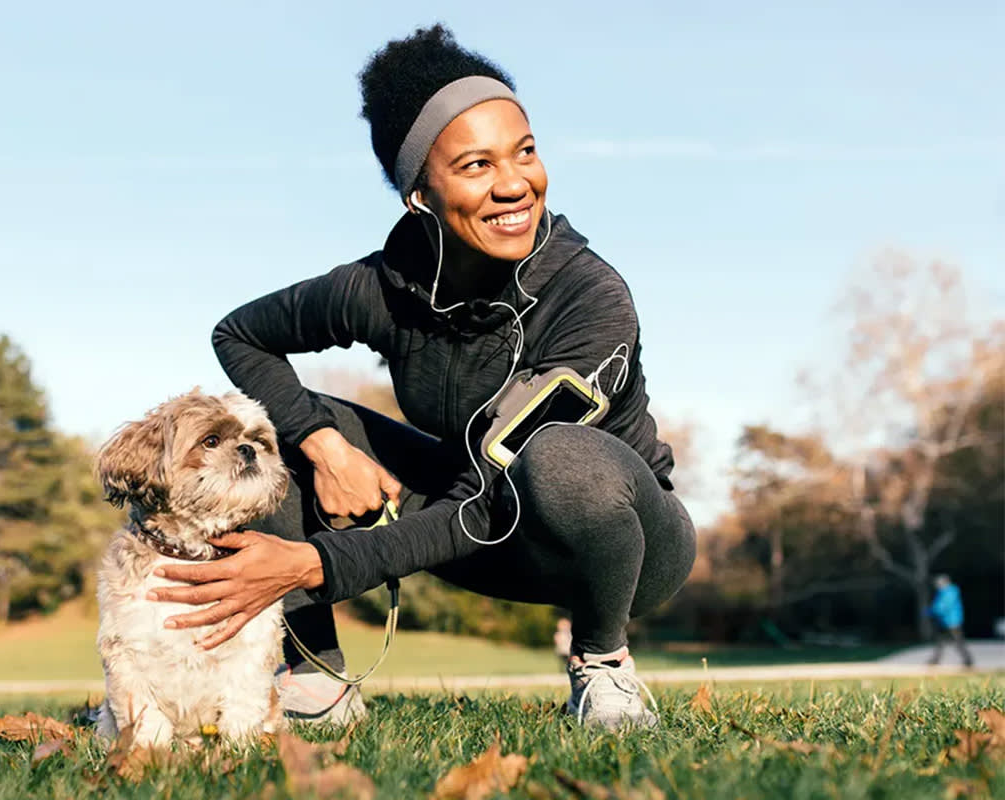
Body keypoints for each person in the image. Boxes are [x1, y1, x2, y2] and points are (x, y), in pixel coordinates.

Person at [145, 24, 697, 731]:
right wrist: (324, 445)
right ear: (420, 195)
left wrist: (314, 563)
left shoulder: (590, 299)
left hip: (621, 549)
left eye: (525, 152)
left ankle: (603, 664)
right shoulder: (384, 287)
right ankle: (315, 679)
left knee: (562, 459)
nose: (515, 184)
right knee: (282, 429)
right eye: (476, 165)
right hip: (476, 530)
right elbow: (240, 335)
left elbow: (489, 495)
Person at [927, 574, 974, 668]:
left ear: (945, 582)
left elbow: (944, 606)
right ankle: (935, 660)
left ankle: (968, 660)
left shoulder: (950, 592)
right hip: (943, 621)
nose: (937, 585)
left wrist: (932, 611)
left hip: (953, 621)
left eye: (939, 583)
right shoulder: (942, 592)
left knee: (958, 642)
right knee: (940, 642)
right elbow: (938, 604)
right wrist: (931, 610)